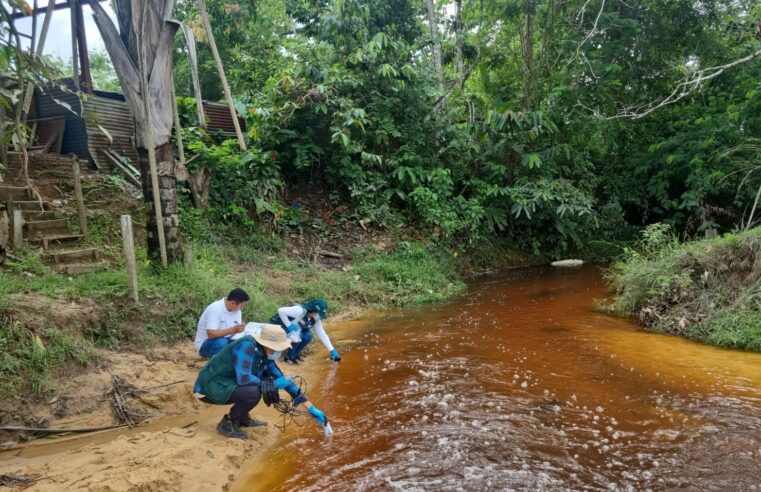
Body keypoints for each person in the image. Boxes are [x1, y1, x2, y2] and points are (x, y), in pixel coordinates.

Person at [193, 324, 329, 439]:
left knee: (263, 383)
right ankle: (229, 422)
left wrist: (311, 408)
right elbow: (244, 378)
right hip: (207, 387)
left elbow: (285, 381)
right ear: (268, 345)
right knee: (255, 390)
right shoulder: (247, 346)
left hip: (225, 383)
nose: (280, 351)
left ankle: (242, 418)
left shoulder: (266, 356)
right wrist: (273, 385)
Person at [269, 298, 341, 363]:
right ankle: (288, 358)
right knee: (299, 335)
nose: (320, 317)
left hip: (292, 332)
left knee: (308, 335)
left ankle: (293, 355)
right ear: (314, 311)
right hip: (278, 327)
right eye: (320, 314)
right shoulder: (300, 310)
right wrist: (288, 325)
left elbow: (322, 333)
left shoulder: (315, 319)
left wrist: (332, 350)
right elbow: (280, 311)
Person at [194, 288, 249, 358]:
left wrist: (240, 330)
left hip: (227, 340)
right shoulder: (215, 308)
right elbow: (211, 334)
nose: (242, 308)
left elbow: (235, 333)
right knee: (221, 342)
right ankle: (215, 365)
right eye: (241, 306)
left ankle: (234, 365)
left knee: (246, 342)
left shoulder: (237, 311)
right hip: (206, 344)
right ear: (233, 303)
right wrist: (233, 330)